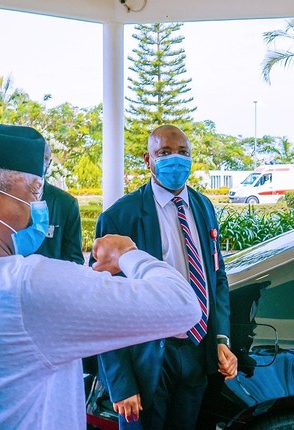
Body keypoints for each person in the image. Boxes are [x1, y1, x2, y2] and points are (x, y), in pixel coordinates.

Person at [0, 124, 199, 429]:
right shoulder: (22, 285)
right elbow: (182, 306)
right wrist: (127, 253)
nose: (39, 208)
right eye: (33, 192)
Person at [93, 125, 237, 430]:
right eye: (165, 153)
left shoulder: (203, 206)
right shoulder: (120, 217)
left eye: (183, 153)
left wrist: (221, 339)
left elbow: (216, 276)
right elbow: (104, 306)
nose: (176, 160)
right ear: (148, 159)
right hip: (148, 360)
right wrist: (121, 382)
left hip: (198, 352)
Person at [35, 143, 84, 265]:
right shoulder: (7, 198)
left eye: (44, 159)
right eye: (35, 158)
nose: (39, 163)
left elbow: (75, 259)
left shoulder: (66, 203)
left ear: (49, 163)